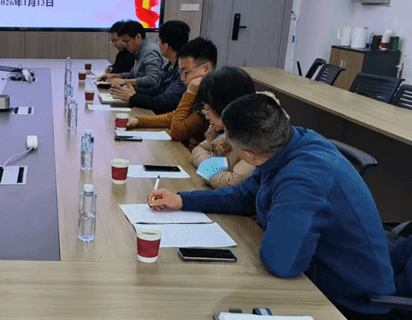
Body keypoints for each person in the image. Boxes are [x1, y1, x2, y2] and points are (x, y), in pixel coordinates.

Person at [148, 93, 396, 320]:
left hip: (346, 303)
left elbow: (281, 263)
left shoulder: (301, 180)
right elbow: (244, 195)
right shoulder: (288, 143)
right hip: (316, 277)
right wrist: (183, 200)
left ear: (249, 155)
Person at [125, 37, 216, 149]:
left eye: (186, 72)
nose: (182, 78)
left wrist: (190, 93)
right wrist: (138, 121)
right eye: (180, 72)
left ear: (206, 69)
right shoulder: (200, 90)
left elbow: (176, 132)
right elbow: (173, 116)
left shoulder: (212, 100)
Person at [190, 66, 258, 188]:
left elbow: (234, 182)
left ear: (224, 106)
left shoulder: (257, 136)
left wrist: (209, 172)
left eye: (208, 109)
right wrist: (210, 165)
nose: (206, 116)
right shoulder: (220, 128)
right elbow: (199, 148)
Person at [109, 20, 189, 114]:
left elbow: (163, 102)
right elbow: (156, 90)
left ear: (166, 46)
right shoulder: (170, 66)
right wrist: (131, 92)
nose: (157, 44)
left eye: (159, 41)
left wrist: (133, 96)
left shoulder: (182, 73)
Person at [102, 20, 162, 89]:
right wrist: (116, 76)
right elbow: (133, 74)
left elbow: (152, 79)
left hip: (150, 93)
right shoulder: (139, 50)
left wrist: (124, 81)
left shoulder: (150, 51)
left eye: (126, 41)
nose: (125, 45)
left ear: (138, 37)